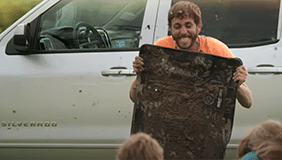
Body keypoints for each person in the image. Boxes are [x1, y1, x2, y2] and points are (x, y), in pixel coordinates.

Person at [130, 0, 253, 108]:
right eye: (177, 26)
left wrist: (238, 83)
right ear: (170, 28)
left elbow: (248, 102)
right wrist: (140, 75)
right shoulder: (161, 49)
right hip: (168, 122)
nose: (183, 32)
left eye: (188, 26)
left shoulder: (216, 50)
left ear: (198, 27)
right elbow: (134, 98)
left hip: (205, 124)